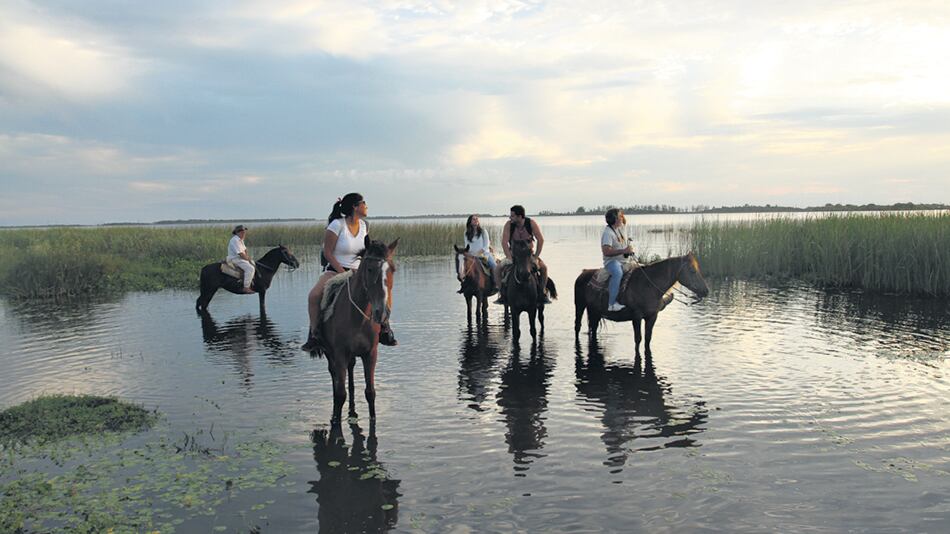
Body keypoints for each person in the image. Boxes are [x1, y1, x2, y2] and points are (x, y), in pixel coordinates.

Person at [302, 193, 397, 353]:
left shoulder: (365, 226)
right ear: (355, 206)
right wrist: (342, 272)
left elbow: (367, 251)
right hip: (335, 271)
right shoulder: (336, 225)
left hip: (359, 272)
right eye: (364, 203)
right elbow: (327, 253)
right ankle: (314, 335)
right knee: (314, 296)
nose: (366, 206)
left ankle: (384, 327)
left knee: (382, 290)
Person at [497, 205, 549, 305]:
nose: (510, 218)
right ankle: (502, 294)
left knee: (544, 268)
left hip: (528, 256)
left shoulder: (531, 223)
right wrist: (509, 257)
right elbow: (504, 242)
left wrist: (536, 257)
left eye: (512, 216)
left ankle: (542, 293)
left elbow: (541, 240)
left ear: (520, 216)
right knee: (497, 269)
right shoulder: (509, 225)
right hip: (513, 255)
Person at [602, 208, 634, 311]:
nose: (622, 218)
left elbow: (624, 221)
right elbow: (606, 251)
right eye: (620, 216)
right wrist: (624, 251)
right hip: (612, 262)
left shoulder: (620, 228)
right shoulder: (608, 233)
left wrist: (628, 251)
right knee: (617, 273)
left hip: (624, 261)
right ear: (615, 219)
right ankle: (611, 304)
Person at [457, 214, 497, 293]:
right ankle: (464, 286)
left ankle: (495, 284)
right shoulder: (466, 233)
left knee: (494, 266)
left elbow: (487, 245)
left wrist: (480, 252)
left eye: (477, 219)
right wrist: (468, 254)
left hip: (484, 254)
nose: (476, 220)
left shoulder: (483, 231)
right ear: (470, 222)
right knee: (463, 267)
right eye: (474, 219)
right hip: (471, 256)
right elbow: (467, 245)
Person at [227, 225, 255, 294]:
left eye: (244, 232)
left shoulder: (240, 240)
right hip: (235, 259)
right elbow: (240, 254)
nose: (244, 234)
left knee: (253, 263)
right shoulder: (235, 240)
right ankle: (246, 287)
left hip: (240, 258)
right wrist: (247, 259)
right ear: (237, 233)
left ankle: (250, 281)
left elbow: (245, 250)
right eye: (242, 232)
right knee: (250, 268)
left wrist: (248, 257)